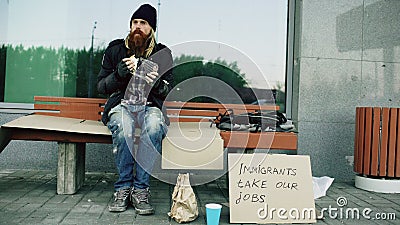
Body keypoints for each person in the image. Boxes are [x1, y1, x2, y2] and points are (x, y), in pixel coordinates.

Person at [97, 3, 173, 215]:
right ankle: (123, 188)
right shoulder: (115, 49)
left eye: (144, 23)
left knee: (155, 126)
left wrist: (157, 83)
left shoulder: (162, 53)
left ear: (152, 29)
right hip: (122, 106)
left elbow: (170, 91)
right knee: (123, 126)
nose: (138, 27)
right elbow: (101, 86)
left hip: (150, 107)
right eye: (135, 22)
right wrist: (119, 74)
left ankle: (140, 190)